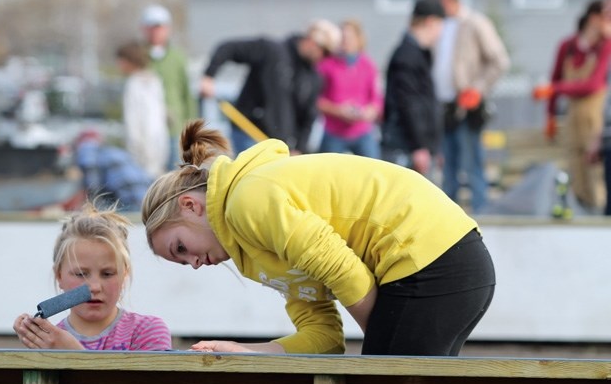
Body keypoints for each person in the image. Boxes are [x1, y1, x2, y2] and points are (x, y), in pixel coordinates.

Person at [141, 119, 495, 356]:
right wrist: (248, 351)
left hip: (430, 257)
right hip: (448, 263)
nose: (195, 264)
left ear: (191, 206)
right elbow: (324, 338)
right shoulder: (252, 250)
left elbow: (342, 270)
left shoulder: (246, 204)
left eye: (181, 248)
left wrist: (380, 348)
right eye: (183, 262)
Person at [13, 201, 172, 351]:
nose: (95, 287)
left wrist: (73, 356)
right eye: (80, 274)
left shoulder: (147, 331)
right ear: (59, 276)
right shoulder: (48, 342)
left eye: (107, 274)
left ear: (125, 275)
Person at [199, 19, 341, 154]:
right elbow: (227, 48)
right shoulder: (271, 51)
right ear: (312, 41)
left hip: (278, 144)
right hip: (247, 133)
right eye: (325, 51)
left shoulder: (314, 78)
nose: (325, 58)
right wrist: (209, 76)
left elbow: (308, 117)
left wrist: (300, 148)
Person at [534, 0, 611, 212]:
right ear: (593, 18)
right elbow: (554, 80)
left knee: (594, 173)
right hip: (573, 119)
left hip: (594, 121)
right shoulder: (567, 47)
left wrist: (556, 89)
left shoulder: (605, 47)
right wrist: (549, 115)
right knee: (575, 169)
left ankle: (598, 215)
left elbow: (593, 84)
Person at [434, 0, 509, 214]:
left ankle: (482, 212)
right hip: (444, 107)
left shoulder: (475, 23)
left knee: (471, 162)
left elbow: (499, 61)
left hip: (467, 107)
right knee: (448, 166)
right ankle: (448, 216)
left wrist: (477, 88)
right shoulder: (440, 24)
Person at [382, 0, 446, 177]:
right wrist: (419, 146)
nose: (441, 33)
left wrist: (433, 146)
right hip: (407, 147)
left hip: (419, 146)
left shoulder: (419, 54)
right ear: (430, 22)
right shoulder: (407, 56)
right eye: (441, 25)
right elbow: (409, 104)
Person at [140, 4, 197, 169]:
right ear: (144, 29)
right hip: (147, 130)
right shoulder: (139, 56)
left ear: (167, 28)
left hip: (173, 129)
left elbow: (187, 95)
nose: (155, 32)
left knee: (174, 176)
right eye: (151, 27)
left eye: (159, 27)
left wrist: (191, 129)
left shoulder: (178, 58)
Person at [316, 19, 382, 158]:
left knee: (374, 169)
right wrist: (338, 110)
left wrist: (369, 112)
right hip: (334, 132)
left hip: (362, 131)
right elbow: (316, 100)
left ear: (358, 39)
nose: (345, 42)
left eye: (349, 38)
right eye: (342, 38)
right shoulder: (326, 65)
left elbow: (376, 99)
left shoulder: (368, 65)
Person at [116, 40, 170, 179]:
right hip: (159, 143)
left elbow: (132, 121)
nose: (119, 65)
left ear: (129, 61)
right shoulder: (154, 80)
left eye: (121, 61)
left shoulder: (133, 84)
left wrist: (135, 148)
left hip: (141, 148)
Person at [73, 129, 154, 212]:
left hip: (126, 200)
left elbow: (93, 184)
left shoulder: (87, 150)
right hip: (145, 199)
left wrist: (90, 205)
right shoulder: (116, 152)